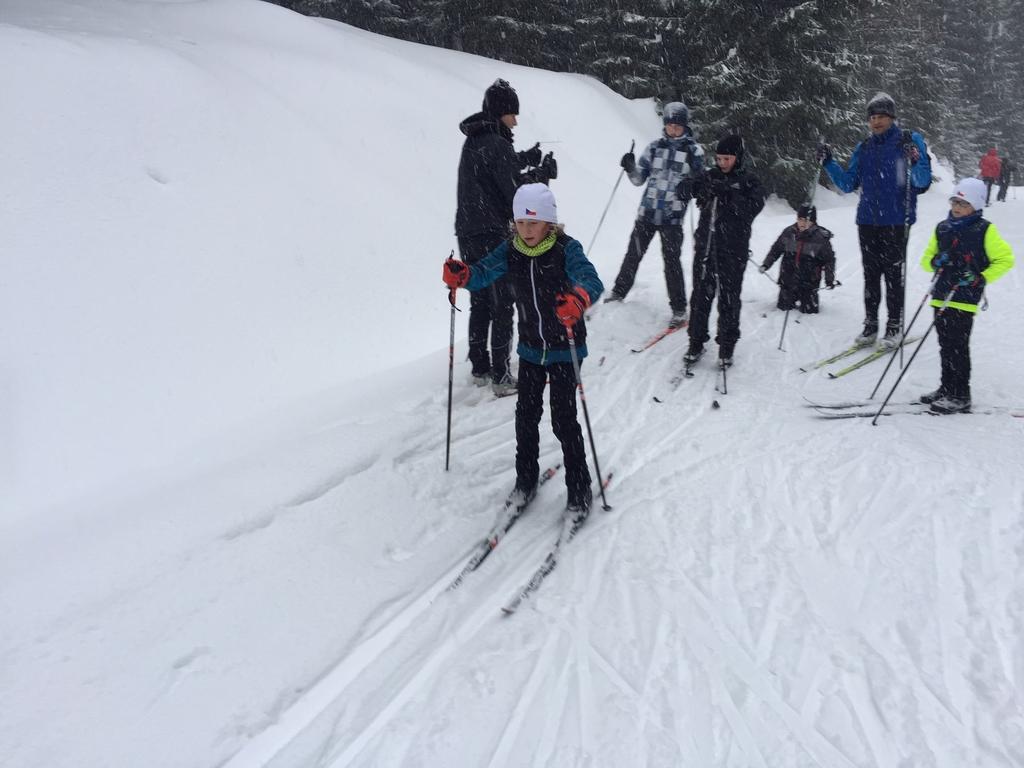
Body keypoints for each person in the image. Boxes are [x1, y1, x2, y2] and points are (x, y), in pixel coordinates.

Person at [443, 183, 604, 516]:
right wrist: (463, 275)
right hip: (531, 349)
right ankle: (525, 481)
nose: (526, 229)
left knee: (564, 420)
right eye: (520, 222)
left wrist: (578, 298)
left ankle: (579, 488)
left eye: (533, 222)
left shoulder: (565, 249)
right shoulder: (511, 249)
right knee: (525, 419)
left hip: (564, 349)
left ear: (549, 222)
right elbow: (483, 272)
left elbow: (591, 280)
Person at [455, 79, 555, 397]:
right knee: (503, 303)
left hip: (468, 230)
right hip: (492, 231)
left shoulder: (475, 140)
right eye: (512, 114)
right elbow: (515, 193)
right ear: (501, 113)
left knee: (480, 299)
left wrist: (524, 158)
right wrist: (542, 176)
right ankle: (501, 375)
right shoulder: (498, 145)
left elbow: (495, 172)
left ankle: (480, 367)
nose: (516, 120)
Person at [818, 91, 932, 350]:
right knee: (871, 275)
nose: (877, 122)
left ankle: (893, 326)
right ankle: (870, 325)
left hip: (896, 220)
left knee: (893, 275)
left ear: (892, 117)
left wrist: (914, 159)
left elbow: (921, 181)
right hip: (867, 220)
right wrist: (829, 163)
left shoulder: (908, 140)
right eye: (872, 117)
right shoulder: (865, 147)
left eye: (882, 116)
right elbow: (848, 184)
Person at [604, 101, 705, 329]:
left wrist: (692, 185)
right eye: (670, 125)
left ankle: (679, 309)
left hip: (673, 217)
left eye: (677, 126)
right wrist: (630, 167)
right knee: (633, 254)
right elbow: (639, 179)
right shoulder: (653, 148)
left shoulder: (693, 151)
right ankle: (619, 291)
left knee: (671, 263)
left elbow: (703, 183)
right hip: (648, 213)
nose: (673, 130)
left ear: (685, 126)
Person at [919, 178, 1014, 414]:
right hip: (941, 294)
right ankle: (946, 387)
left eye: (964, 203)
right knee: (945, 344)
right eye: (955, 201)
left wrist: (980, 277)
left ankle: (960, 394)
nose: (957, 207)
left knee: (958, 346)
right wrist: (936, 261)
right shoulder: (942, 227)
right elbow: (926, 260)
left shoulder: (984, 229)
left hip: (965, 296)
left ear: (976, 205)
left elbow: (1005, 259)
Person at [680, 134, 765, 367]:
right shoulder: (710, 176)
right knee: (700, 296)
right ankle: (696, 341)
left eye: (727, 158)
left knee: (729, 298)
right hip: (707, 245)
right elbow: (687, 187)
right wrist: (689, 187)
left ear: (737, 158)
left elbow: (753, 208)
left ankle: (726, 346)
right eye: (719, 158)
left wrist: (729, 195)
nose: (722, 163)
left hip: (733, 249)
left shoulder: (749, 181)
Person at [759, 203, 836, 314]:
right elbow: (776, 250)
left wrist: (829, 279)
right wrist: (766, 264)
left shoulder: (820, 238)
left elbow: (829, 260)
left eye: (806, 220)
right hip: (787, 280)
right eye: (800, 219)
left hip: (809, 283)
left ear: (813, 222)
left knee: (809, 311)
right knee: (783, 308)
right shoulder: (789, 233)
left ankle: (808, 300)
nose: (803, 223)